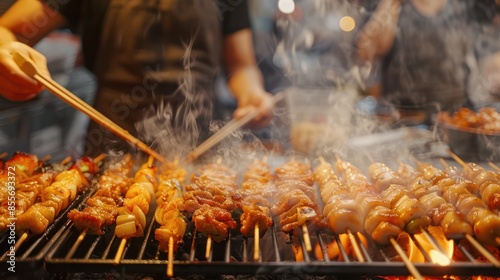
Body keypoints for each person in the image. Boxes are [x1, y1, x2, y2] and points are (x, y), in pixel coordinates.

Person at [0, 0, 274, 157]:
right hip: (110, 148)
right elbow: (6, 29)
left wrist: (252, 94)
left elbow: (242, 67)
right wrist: (5, 49)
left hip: (200, 149)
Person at [356, 0, 477, 124]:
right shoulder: (387, 4)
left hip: (455, 120)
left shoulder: (464, 5)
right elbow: (367, 52)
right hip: (401, 121)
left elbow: (485, 51)